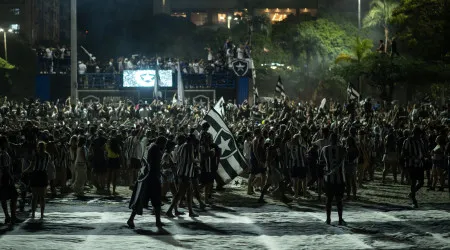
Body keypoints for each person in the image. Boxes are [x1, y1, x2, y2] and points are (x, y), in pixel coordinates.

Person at [128, 136, 167, 229]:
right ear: (161, 143)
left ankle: (132, 219)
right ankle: (157, 221)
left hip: (148, 178)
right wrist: (160, 174)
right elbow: (154, 165)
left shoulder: (151, 147)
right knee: (154, 200)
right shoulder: (156, 149)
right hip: (152, 178)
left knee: (147, 200)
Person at [166, 134, 198, 218]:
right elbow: (191, 159)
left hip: (183, 171)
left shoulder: (181, 146)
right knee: (180, 193)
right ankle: (169, 210)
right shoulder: (189, 146)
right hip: (186, 173)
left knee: (189, 192)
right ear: (192, 140)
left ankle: (190, 211)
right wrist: (198, 161)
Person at [322, 133, 347, 225]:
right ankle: (340, 219)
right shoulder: (342, 149)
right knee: (339, 199)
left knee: (328, 199)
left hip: (329, 178)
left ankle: (328, 219)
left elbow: (321, 162)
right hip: (339, 178)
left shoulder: (324, 149)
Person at [402, 127, 427, 208]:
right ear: (414, 133)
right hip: (411, 164)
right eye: (418, 134)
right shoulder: (408, 141)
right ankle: (414, 200)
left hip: (419, 164)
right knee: (413, 181)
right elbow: (403, 153)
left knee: (421, 182)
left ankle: (411, 194)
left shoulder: (420, 141)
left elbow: (422, 151)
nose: (420, 135)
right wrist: (411, 157)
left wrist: (424, 158)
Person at [27, 142, 51, 219]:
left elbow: (31, 166)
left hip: (36, 175)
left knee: (34, 196)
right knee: (42, 196)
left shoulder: (36, 155)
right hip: (43, 175)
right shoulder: (47, 155)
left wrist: (24, 171)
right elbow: (48, 165)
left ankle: (33, 213)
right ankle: (41, 214)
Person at [0, 135, 20, 225]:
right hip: (5, 177)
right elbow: (6, 168)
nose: (8, 143)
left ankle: (8, 216)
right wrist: (11, 177)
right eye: (7, 141)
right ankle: (12, 216)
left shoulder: (3, 152)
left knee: (3, 198)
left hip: (3, 177)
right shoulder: (3, 153)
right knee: (14, 196)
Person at [106, 131, 121, 195]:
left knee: (109, 175)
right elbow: (120, 154)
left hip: (110, 160)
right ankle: (114, 190)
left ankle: (108, 189)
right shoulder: (118, 147)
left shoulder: (108, 146)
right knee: (114, 176)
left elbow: (106, 148)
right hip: (116, 160)